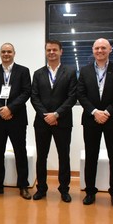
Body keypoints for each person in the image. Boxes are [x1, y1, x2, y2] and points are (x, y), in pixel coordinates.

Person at [77, 38, 113, 208]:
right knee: (91, 156)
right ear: (93, 50)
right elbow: (81, 94)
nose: (100, 51)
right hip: (91, 119)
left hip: (112, 120)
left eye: (103, 48)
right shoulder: (84, 71)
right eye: (97, 48)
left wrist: (107, 112)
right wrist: (94, 112)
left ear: (109, 50)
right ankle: (90, 192)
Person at [30, 40, 77, 202]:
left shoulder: (70, 72)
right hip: (42, 122)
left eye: (54, 50)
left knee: (64, 156)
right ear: (45, 52)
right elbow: (34, 97)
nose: (51, 52)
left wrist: (56, 114)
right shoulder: (38, 73)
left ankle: (64, 189)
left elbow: (72, 97)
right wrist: (46, 115)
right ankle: (41, 188)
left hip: (62, 122)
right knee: (41, 157)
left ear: (61, 51)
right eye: (48, 50)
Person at [0, 43, 32, 199]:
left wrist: (10, 109)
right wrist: (1, 109)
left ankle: (23, 185)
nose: (6, 54)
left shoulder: (23, 71)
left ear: (14, 53)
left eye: (9, 51)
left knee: (20, 152)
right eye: (3, 51)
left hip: (17, 118)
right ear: (0, 54)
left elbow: (26, 92)